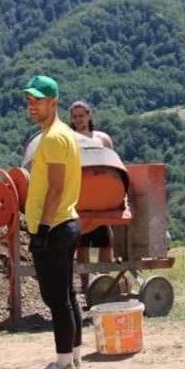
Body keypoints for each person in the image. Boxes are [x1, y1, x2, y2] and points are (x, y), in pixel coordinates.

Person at [22, 75, 85, 369]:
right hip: (63, 223)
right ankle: (72, 359)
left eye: (38, 100)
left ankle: (62, 366)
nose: (32, 105)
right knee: (66, 295)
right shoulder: (57, 134)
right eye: (29, 100)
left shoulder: (55, 137)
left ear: (53, 102)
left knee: (56, 297)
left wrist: (42, 229)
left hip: (57, 224)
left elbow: (56, 188)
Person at [69, 99, 114, 292]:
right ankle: (86, 286)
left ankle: (103, 283)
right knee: (82, 244)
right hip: (78, 195)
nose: (79, 119)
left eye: (82, 115)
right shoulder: (68, 139)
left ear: (89, 115)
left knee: (105, 242)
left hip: (101, 195)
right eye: (75, 116)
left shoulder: (102, 138)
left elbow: (113, 163)